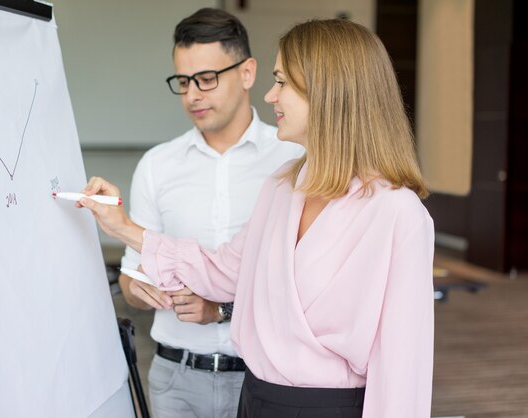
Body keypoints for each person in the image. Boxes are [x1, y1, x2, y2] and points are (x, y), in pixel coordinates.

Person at [80, 18, 434, 418]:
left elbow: (403, 369)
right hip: (256, 400)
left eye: (282, 82)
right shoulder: (281, 190)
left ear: (328, 91)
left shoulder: (398, 214)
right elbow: (223, 270)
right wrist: (122, 226)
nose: (270, 95)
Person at [116, 8, 303, 418]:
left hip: (265, 377)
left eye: (206, 79)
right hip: (175, 377)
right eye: (183, 82)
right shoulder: (157, 164)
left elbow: (301, 283)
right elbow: (131, 277)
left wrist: (219, 309)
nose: (192, 96)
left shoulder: (294, 158)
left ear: (248, 73)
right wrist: (141, 291)